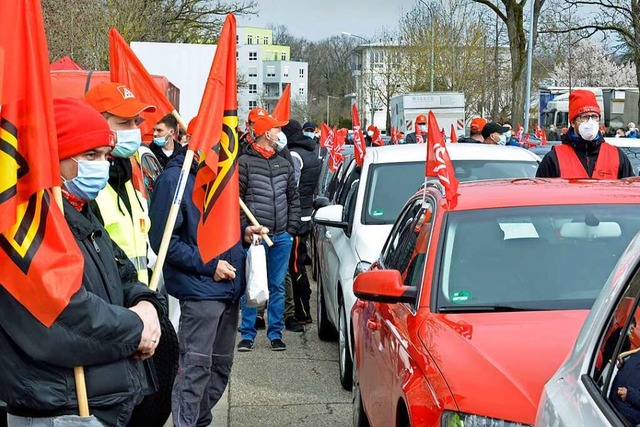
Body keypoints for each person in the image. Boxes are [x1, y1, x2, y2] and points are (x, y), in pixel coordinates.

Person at [0, 98, 164, 427]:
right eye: (90, 156)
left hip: (98, 400)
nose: (101, 166)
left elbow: (123, 273)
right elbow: (62, 316)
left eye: (104, 156)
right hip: (57, 409)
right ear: (52, 159)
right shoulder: (25, 223)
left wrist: (146, 303)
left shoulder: (81, 210)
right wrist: (137, 330)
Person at [149, 146, 264, 427]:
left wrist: (243, 235)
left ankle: (199, 421)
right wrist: (210, 266)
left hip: (229, 291)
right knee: (194, 369)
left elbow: (216, 228)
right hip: (201, 292)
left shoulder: (218, 173)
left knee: (219, 369)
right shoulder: (174, 179)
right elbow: (164, 241)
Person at [237, 114, 301, 352]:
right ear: (266, 133)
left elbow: (293, 198)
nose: (279, 134)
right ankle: (247, 333)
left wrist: (291, 229)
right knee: (253, 285)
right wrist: (246, 228)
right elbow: (238, 200)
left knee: (277, 285)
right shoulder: (244, 163)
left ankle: (275, 333)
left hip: (282, 235)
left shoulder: (283, 164)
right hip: (256, 236)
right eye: (276, 129)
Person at [85, 82, 156, 285]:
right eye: (124, 123)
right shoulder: (87, 184)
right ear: (95, 123)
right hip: (111, 307)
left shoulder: (127, 175)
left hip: (137, 302)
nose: (135, 130)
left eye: (136, 121)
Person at [536, 90, 634, 179]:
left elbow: (630, 192)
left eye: (594, 116)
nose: (590, 122)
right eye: (585, 117)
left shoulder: (616, 156)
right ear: (573, 123)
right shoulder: (554, 158)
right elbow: (540, 194)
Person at [283, 120, 322, 325]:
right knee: (297, 264)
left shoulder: (295, 155)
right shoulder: (311, 151)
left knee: (295, 266)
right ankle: (302, 310)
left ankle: (303, 312)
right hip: (305, 216)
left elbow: (292, 188)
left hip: (296, 219)